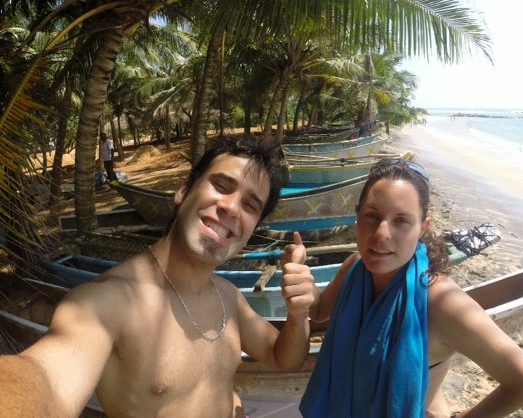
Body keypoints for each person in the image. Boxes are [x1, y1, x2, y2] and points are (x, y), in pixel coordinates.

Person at [0, 134, 316, 418]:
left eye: (250, 205)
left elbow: (283, 358)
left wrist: (298, 313)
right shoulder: (106, 302)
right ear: (184, 191)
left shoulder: (229, 297)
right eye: (221, 186)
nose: (232, 208)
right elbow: (46, 379)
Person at [300, 158, 523, 417]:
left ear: (422, 228)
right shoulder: (355, 266)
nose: (382, 233)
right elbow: (319, 311)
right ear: (357, 216)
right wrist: (304, 284)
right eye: (372, 216)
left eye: (401, 221)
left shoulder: (441, 301)